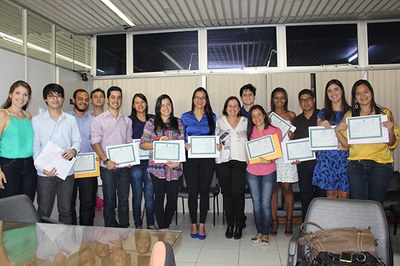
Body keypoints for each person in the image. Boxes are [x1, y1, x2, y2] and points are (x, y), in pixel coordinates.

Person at [335, 79, 398, 204]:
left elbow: (391, 144)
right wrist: (337, 131)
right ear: (354, 97)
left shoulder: (384, 113)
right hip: (356, 165)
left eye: (365, 92)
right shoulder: (350, 115)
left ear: (371, 93)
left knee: (376, 204)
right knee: (360, 206)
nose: (363, 96)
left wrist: (390, 130)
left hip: (380, 165)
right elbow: (346, 145)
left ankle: (376, 225)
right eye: (358, 93)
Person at [32, 83, 81, 224]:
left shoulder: (70, 120)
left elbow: (77, 141)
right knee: (43, 210)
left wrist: (73, 150)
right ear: (45, 99)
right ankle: (42, 243)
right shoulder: (37, 120)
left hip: (66, 172)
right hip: (45, 174)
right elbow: (35, 148)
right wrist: (42, 168)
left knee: (66, 210)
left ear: (63, 98)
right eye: (51, 96)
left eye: (58, 95)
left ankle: (63, 244)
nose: (55, 99)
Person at [141, 94, 184, 229]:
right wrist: (157, 143)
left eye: (168, 104)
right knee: (158, 199)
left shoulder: (179, 123)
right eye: (162, 105)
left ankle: (166, 225)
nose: (166, 108)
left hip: (174, 168)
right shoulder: (151, 123)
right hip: (157, 168)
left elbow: (182, 145)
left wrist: (180, 163)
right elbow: (142, 144)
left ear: (171, 106)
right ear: (158, 108)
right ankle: (163, 228)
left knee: (172, 199)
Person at [91, 86, 133, 228]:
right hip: (107, 166)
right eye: (113, 97)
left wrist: (130, 160)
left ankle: (124, 226)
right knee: (109, 199)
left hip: (123, 167)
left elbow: (129, 142)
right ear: (108, 99)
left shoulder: (127, 121)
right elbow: (95, 143)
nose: (116, 100)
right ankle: (110, 227)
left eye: (119, 97)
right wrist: (106, 160)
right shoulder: (98, 120)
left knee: (123, 198)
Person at [181, 87, 216, 240]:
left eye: (203, 97)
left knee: (204, 192)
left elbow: (216, 136)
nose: (200, 100)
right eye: (197, 97)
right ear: (193, 99)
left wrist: (218, 145)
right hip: (190, 159)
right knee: (192, 192)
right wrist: (184, 144)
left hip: (208, 160)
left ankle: (202, 224)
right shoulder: (184, 116)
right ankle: (193, 223)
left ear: (206, 100)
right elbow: (180, 136)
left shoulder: (212, 117)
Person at [246, 105, 282, 245]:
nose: (257, 118)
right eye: (253, 116)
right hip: (252, 172)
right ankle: (259, 231)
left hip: (269, 171)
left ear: (264, 115)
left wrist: (270, 160)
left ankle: (265, 233)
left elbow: (278, 152)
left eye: (259, 114)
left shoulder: (275, 131)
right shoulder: (250, 131)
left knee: (266, 203)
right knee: (256, 203)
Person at [216, 96, 248, 240]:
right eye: (230, 106)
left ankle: (239, 224)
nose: (233, 109)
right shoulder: (220, 121)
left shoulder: (245, 122)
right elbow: (216, 140)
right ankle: (230, 224)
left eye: (236, 106)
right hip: (223, 161)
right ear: (226, 107)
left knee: (238, 194)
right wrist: (216, 145)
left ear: (239, 108)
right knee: (227, 194)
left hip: (240, 161)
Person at [313, 79, 350, 199]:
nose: (333, 93)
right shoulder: (322, 114)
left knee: (345, 195)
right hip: (327, 158)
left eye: (336, 89)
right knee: (330, 195)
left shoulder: (351, 112)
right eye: (329, 91)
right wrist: (321, 124)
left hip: (345, 157)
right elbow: (317, 137)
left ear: (342, 91)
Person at [292, 89, 325, 220]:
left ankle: (322, 226)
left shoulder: (322, 117)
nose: (305, 102)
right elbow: (295, 143)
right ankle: (307, 225)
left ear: (314, 100)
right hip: (304, 164)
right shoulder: (297, 120)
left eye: (308, 99)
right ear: (300, 103)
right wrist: (294, 155)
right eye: (302, 100)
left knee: (321, 195)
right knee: (305, 195)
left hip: (321, 163)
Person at [0, 80, 37, 201]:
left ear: (28, 98)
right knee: (12, 207)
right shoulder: (3, 114)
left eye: (25, 95)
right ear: (11, 94)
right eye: (17, 93)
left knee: (27, 205)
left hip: (29, 165)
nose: (21, 97)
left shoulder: (28, 116)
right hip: (9, 166)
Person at [269, 87, 298, 237]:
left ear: (286, 99)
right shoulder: (268, 116)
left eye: (282, 98)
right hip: (274, 155)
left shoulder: (292, 115)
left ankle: (289, 220)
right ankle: (274, 221)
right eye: (276, 98)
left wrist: (293, 136)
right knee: (274, 189)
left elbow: (297, 137)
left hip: (287, 154)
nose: (279, 101)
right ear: (272, 100)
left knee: (287, 188)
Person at [69, 89, 98, 226]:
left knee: (88, 202)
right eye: (80, 99)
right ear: (73, 100)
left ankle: (87, 232)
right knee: (69, 202)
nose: (83, 102)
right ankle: (71, 232)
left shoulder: (94, 121)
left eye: (86, 99)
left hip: (88, 166)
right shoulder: (66, 119)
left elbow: (97, 142)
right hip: (69, 166)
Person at [128, 93, 155, 229]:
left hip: (151, 162)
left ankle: (150, 223)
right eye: (137, 102)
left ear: (146, 103)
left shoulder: (153, 119)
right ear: (133, 105)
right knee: (137, 194)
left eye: (142, 102)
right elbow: (125, 140)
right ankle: (138, 224)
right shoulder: (128, 120)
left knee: (150, 194)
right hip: (136, 164)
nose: (140, 105)